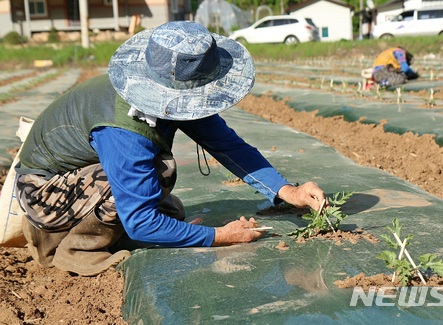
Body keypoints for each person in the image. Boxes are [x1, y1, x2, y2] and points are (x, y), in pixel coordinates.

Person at [14, 21, 327, 276]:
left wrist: (287, 191)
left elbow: (227, 145)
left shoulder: (170, 98)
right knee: (152, 184)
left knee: (165, 201)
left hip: (77, 179)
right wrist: (220, 236)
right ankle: (78, 248)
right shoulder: (124, 129)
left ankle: (105, 227)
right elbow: (141, 221)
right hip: (44, 194)